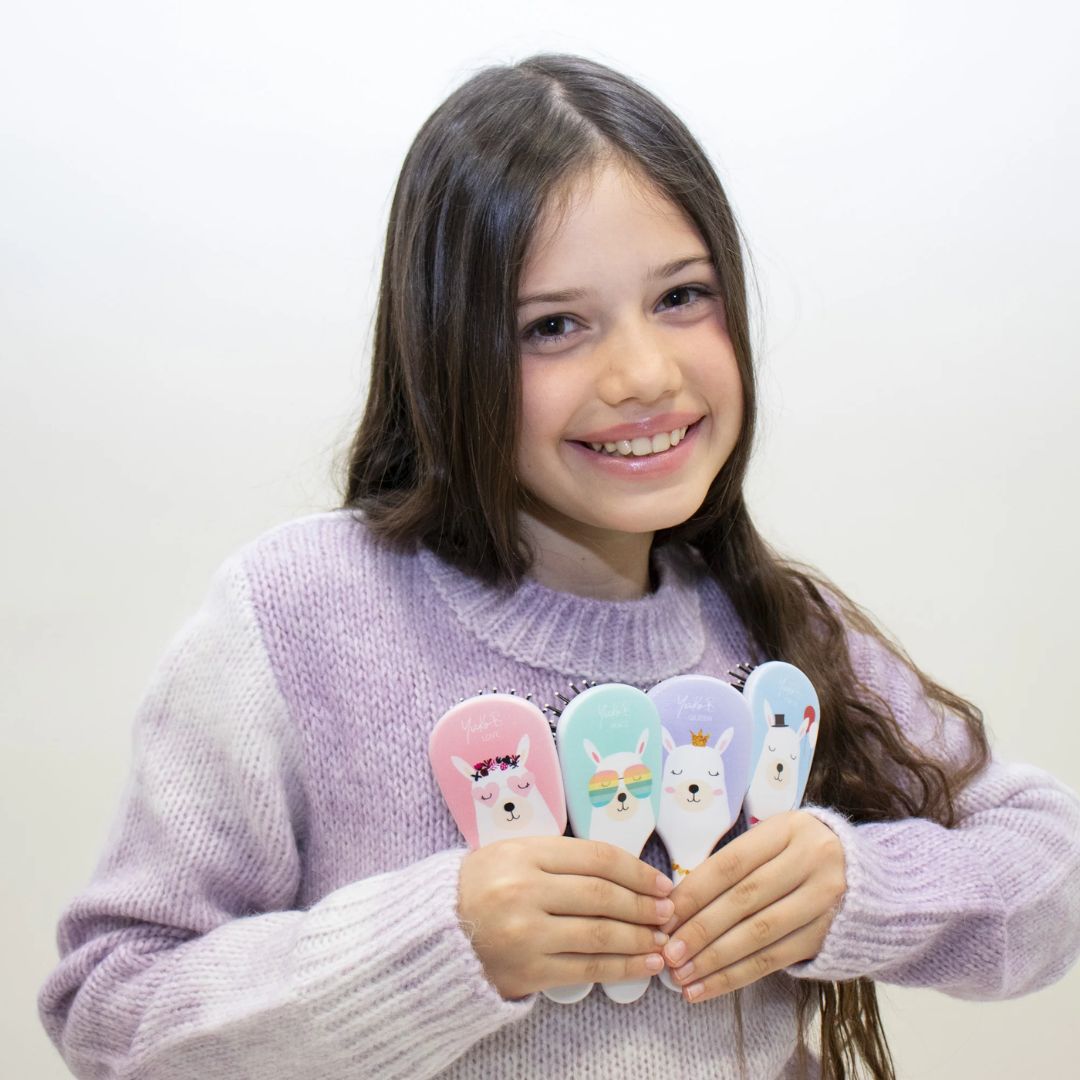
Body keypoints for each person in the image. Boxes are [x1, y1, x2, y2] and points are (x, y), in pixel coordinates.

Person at [38, 53, 1080, 1080]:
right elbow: (114, 1011)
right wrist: (434, 948)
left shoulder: (776, 622)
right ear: (446, 352)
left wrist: (862, 886)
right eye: (554, 326)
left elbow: (1050, 872)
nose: (643, 374)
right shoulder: (298, 615)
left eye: (682, 296)